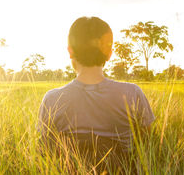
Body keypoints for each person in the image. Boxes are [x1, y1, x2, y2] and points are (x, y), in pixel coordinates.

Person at [37, 16, 155, 173]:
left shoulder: (52, 99)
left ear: (70, 51)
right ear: (109, 53)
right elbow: (147, 143)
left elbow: (45, 151)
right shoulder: (132, 93)